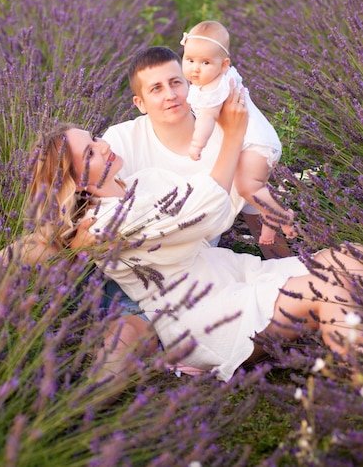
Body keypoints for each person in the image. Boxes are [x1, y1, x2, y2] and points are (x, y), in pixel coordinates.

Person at [28, 91, 363, 384]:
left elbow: (219, 194)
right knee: (331, 290)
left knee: (350, 256)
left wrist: (261, 187)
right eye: (89, 153)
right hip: (206, 318)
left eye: (95, 139)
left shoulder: (144, 181)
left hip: (233, 277)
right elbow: (206, 212)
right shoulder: (106, 223)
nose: (103, 146)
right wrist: (232, 136)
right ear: (79, 183)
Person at [103, 45, 291, 257]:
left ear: (190, 85)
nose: (170, 95)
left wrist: (292, 269)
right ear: (140, 103)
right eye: (156, 88)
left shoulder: (228, 133)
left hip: (208, 266)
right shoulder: (120, 142)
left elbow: (260, 221)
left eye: (176, 83)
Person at [180, 20, 295, 245]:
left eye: (205, 62)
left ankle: (282, 215)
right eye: (189, 60)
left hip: (256, 144)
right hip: (253, 142)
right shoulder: (213, 80)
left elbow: (207, 117)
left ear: (224, 65)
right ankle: (269, 223)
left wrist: (196, 144)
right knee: (251, 189)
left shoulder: (215, 86)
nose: (195, 68)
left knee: (248, 187)